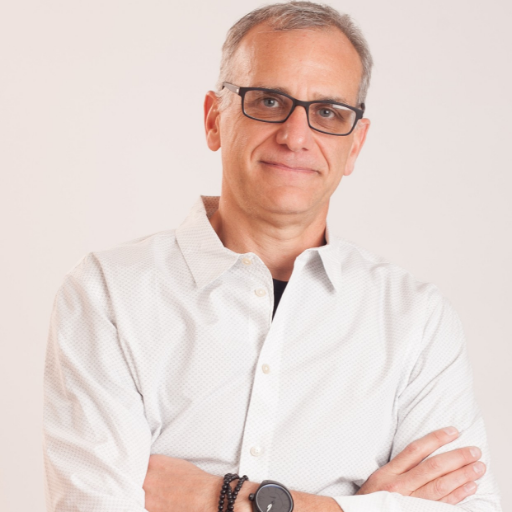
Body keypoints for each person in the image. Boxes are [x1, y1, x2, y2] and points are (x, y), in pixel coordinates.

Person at [43, 2, 502, 512]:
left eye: (327, 113)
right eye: (268, 101)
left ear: (355, 145)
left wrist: (228, 499)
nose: (295, 137)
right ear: (214, 119)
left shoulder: (416, 320)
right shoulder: (109, 294)